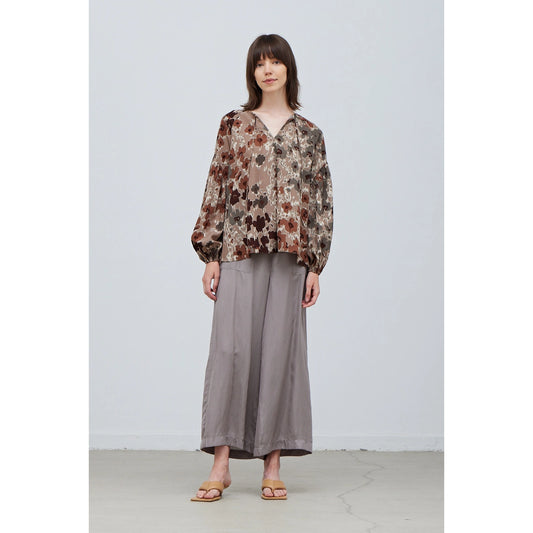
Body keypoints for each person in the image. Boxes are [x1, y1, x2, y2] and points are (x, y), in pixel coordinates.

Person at [190, 34, 334, 502]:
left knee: (279, 355)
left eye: (275, 62)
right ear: (252, 72)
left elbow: (320, 201)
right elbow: (216, 185)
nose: (267, 70)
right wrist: (210, 254)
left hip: (292, 256)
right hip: (238, 249)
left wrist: (316, 264)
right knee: (230, 353)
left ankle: (273, 463)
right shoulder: (233, 125)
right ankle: (221, 463)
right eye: (259, 63)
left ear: (289, 69)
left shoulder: (309, 134)